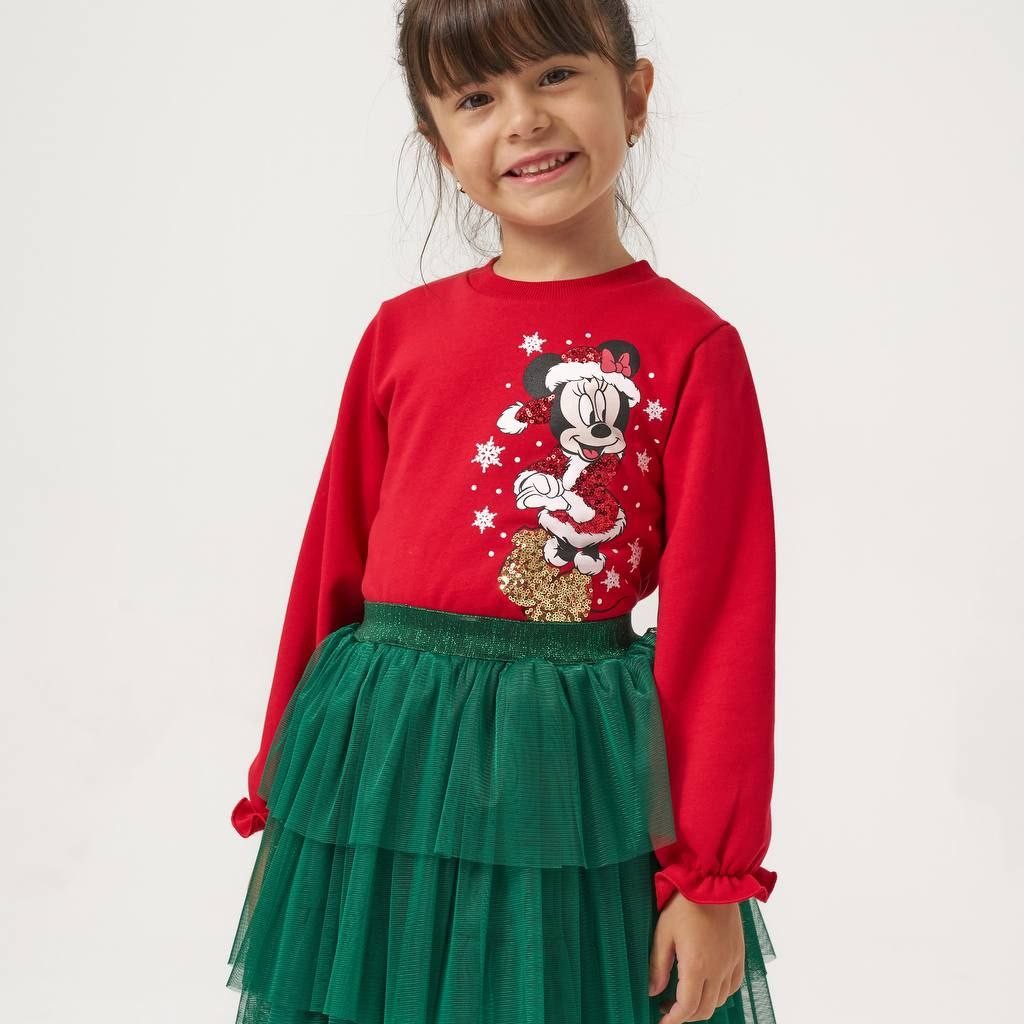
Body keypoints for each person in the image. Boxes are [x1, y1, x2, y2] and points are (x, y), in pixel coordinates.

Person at [225, 3, 780, 1023]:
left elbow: (722, 630)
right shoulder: (399, 336)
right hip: (377, 770)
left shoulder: (692, 350)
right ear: (440, 145)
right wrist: (285, 797)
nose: (523, 118)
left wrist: (709, 878)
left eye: (555, 74)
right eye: (477, 97)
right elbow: (327, 577)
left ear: (635, 96)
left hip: (563, 784)